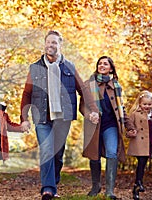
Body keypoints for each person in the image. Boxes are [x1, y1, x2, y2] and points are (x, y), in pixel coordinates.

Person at [20, 30, 99, 200]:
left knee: (57, 153)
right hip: (42, 116)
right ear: (44, 44)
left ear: (60, 45)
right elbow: (27, 94)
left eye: (54, 42)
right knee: (47, 149)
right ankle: (48, 189)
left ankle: (53, 183)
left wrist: (93, 110)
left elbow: (83, 89)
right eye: (48, 42)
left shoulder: (69, 66)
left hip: (63, 117)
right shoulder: (35, 68)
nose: (51, 45)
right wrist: (24, 118)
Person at [79, 56, 135, 199]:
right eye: (100, 63)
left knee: (111, 153)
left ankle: (109, 190)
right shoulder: (88, 84)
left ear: (111, 68)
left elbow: (121, 109)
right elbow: (82, 106)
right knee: (94, 156)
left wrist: (129, 126)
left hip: (110, 125)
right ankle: (95, 186)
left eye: (105, 64)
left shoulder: (116, 86)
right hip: (94, 126)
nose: (102, 65)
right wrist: (89, 114)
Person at [126, 90, 152, 200]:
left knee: (142, 163)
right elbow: (128, 126)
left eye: (149, 104)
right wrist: (130, 132)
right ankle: (139, 182)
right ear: (140, 104)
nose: (147, 106)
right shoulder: (134, 114)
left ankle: (136, 186)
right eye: (144, 104)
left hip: (150, 143)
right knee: (142, 161)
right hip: (139, 143)